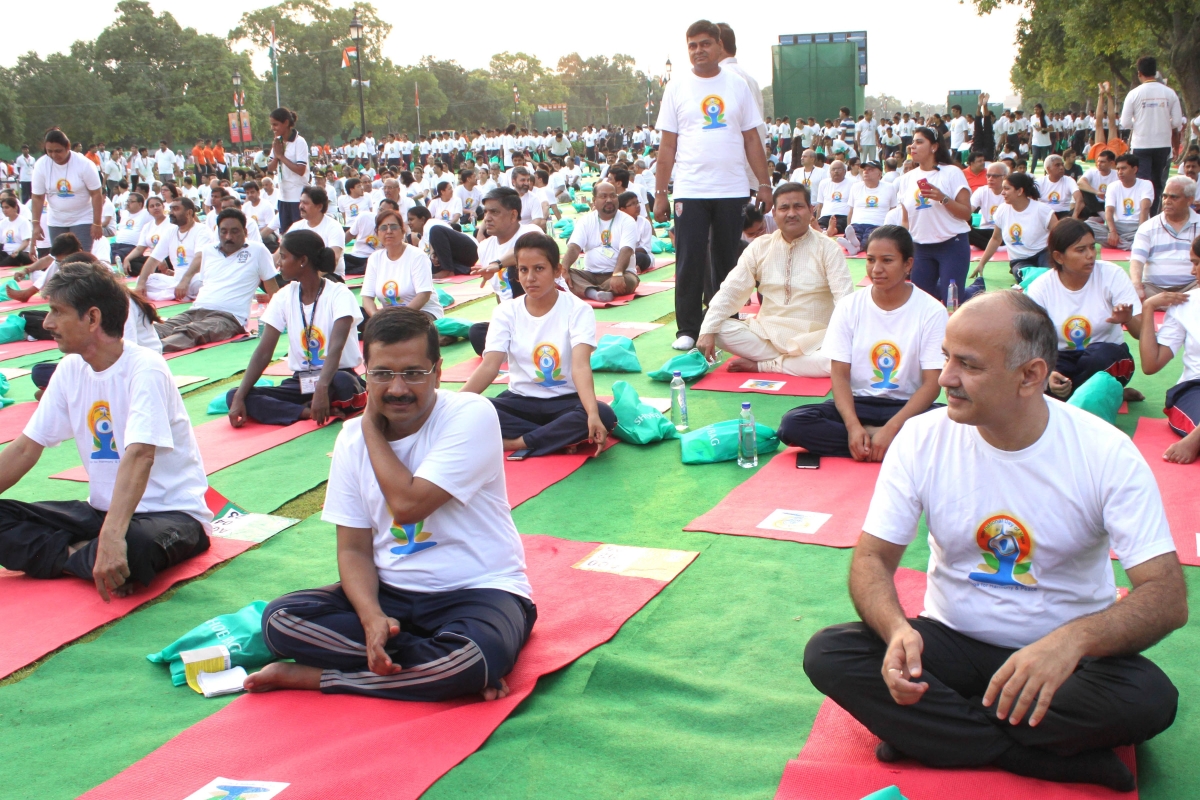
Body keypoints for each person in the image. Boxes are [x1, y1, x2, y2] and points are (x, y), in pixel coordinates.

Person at [804, 289, 1185, 792]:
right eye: (946, 357)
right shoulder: (921, 438)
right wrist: (896, 630)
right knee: (831, 652)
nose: (945, 378)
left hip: (1064, 660)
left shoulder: (1104, 453)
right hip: (951, 643)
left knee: (1149, 697)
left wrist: (1071, 642)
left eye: (968, 365)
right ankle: (1039, 756)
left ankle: (934, 735)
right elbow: (873, 557)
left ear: (1030, 375)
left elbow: (1166, 596)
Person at [243, 307, 535, 701]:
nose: (397, 389)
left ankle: (322, 677)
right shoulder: (350, 439)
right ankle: (439, 666)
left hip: (477, 590)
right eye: (382, 374)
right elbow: (353, 549)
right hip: (390, 594)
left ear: (437, 371)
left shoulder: (470, 414)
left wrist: (368, 427)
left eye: (413, 373)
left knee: (472, 657)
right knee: (280, 620)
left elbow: (409, 505)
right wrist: (371, 617)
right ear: (366, 372)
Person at [0, 262, 213, 600]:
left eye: (57, 311)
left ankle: (90, 552)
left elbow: (140, 455)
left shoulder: (145, 368)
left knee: (135, 547)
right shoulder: (70, 369)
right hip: (100, 513)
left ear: (92, 318)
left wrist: (112, 538)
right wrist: (107, 536)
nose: (48, 323)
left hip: (168, 514)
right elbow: (26, 449)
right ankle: (80, 556)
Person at [654, 19, 773, 351]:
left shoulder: (737, 85)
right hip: (690, 189)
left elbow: (752, 138)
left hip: (731, 188)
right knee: (689, 260)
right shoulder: (676, 87)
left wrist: (764, 183)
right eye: (692, 46)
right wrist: (661, 193)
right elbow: (667, 145)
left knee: (727, 262)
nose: (698, 51)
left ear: (719, 46)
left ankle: (724, 323)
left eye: (705, 43)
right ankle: (688, 329)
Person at [778, 225, 945, 459]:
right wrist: (853, 427)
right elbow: (839, 375)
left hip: (907, 408)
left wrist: (892, 428)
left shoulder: (932, 311)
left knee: (958, 427)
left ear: (908, 264)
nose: (876, 269)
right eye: (870, 260)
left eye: (887, 260)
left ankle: (873, 442)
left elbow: (932, 384)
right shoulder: (849, 306)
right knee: (793, 423)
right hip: (858, 404)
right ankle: (885, 444)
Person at [463, 233, 616, 457]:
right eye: (523, 270)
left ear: (557, 271)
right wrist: (454, 405)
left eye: (539, 269)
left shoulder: (578, 309)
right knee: (472, 411)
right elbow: (489, 366)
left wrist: (592, 413)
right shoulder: (506, 312)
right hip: (520, 402)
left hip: (565, 402)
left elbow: (580, 366)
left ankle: (515, 443)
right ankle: (557, 437)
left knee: (603, 414)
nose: (530, 278)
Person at [696, 183, 852, 376]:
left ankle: (765, 365)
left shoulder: (828, 248)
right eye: (784, 208)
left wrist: (845, 338)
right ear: (774, 213)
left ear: (811, 211)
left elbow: (844, 299)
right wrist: (707, 330)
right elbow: (732, 289)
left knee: (836, 361)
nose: (791, 213)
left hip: (815, 339)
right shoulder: (760, 246)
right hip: (766, 335)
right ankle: (796, 364)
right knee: (717, 326)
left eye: (798, 206)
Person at [227, 230, 365, 427]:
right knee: (234, 395)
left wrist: (322, 388)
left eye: (283, 256)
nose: (278, 263)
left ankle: (314, 403)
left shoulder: (339, 294)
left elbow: (336, 347)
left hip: (334, 377)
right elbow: (264, 351)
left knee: (344, 383)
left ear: (302, 261)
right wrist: (240, 396)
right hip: (302, 381)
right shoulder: (283, 296)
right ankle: (306, 411)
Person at [1026, 219, 1143, 402]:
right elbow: (1031, 341)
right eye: (1081, 250)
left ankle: (1071, 397)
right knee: (1033, 374)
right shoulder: (1040, 288)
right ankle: (1098, 394)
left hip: (1106, 357)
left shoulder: (1112, 274)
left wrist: (1127, 318)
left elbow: (1141, 332)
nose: (1090, 255)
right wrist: (1049, 374)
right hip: (1060, 358)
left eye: (1092, 247)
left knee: (1099, 356)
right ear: (1059, 257)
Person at [145, 209, 278, 352]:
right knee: (159, 328)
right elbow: (206, 283)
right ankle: (136, 346)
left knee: (191, 332)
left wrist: (279, 321)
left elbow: (273, 291)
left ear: (245, 232)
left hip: (229, 318)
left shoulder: (258, 251)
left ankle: (153, 350)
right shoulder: (208, 250)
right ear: (218, 232)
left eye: (234, 231)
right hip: (197, 310)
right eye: (223, 232)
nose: (228, 237)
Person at [1138, 236, 1200, 463]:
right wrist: (1148, 308)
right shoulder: (1186, 304)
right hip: (1195, 388)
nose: (1193, 271)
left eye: (1197, 263)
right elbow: (1151, 364)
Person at [896, 127, 972, 306]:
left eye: (919, 142)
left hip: (952, 245)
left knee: (951, 301)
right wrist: (904, 247)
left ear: (934, 147)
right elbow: (906, 220)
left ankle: (972, 294)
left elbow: (966, 213)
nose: (913, 146)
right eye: (912, 142)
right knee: (921, 302)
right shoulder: (906, 179)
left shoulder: (952, 172)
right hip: (920, 248)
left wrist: (942, 198)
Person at [1121, 56, 1186, 216]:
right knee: (1158, 184)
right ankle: (1154, 216)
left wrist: (1141, 123)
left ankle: (1141, 216)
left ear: (1139, 73)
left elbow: (1125, 123)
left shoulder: (1134, 94)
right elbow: (1177, 122)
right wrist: (1163, 123)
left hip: (1141, 144)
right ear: (1156, 72)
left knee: (1142, 183)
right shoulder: (1169, 93)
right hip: (1162, 145)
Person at [973, 172, 1059, 282]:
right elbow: (996, 239)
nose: (1002, 193)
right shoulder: (1002, 210)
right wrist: (982, 264)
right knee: (1028, 278)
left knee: (1051, 276)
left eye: (1007, 189)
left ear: (1020, 191)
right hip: (1019, 260)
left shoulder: (1042, 209)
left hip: (1043, 254)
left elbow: (1059, 235)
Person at [361, 207, 442, 321]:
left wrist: (399, 318)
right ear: (377, 233)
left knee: (402, 328)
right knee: (356, 316)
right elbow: (367, 297)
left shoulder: (417, 256)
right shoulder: (375, 258)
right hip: (389, 317)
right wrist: (376, 318)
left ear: (403, 231)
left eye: (393, 227)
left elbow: (424, 295)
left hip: (420, 313)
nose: (389, 231)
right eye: (383, 228)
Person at [30, 129, 104, 253]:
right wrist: (36, 224)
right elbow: (37, 197)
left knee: (80, 257)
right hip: (56, 220)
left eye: (58, 151)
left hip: (82, 218)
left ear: (68, 147)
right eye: (49, 151)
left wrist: (97, 223)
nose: (54, 155)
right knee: (60, 257)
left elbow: (96, 194)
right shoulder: (41, 165)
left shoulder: (84, 164)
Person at [564, 181, 638, 303]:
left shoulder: (627, 221)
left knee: (629, 281)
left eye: (613, 196)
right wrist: (564, 269)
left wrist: (617, 273)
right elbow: (574, 247)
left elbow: (627, 250)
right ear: (594, 201)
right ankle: (596, 293)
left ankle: (589, 291)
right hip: (590, 275)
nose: (609, 200)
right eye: (603, 196)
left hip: (621, 274)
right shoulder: (585, 221)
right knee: (561, 276)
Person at [1130, 176, 1199, 300]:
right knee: (1131, 292)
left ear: (1190, 200)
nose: (1167, 201)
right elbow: (1137, 260)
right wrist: (1136, 285)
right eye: (1165, 196)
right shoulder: (1147, 227)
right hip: (1154, 289)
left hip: (1192, 287)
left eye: (1174, 197)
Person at [132, 198, 210, 302]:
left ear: (189, 213)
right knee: (143, 279)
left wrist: (185, 281)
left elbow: (199, 258)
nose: (171, 213)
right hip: (176, 280)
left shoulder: (202, 230)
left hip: (196, 277)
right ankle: (178, 293)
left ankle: (174, 293)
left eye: (176, 209)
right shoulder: (170, 231)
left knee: (201, 284)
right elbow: (153, 259)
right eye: (171, 209)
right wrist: (141, 284)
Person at [1086, 153, 1154, 251]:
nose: (1120, 172)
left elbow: (1145, 209)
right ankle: (1132, 245)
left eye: (1123, 168)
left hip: (1137, 227)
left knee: (1155, 231)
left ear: (1135, 169)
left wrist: (1140, 234)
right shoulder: (1113, 186)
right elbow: (1109, 211)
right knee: (1086, 226)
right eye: (1118, 169)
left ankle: (1122, 243)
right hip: (1117, 227)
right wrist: (1113, 232)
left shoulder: (1146, 184)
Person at [406, 205, 478, 279]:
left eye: (411, 219)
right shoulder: (421, 242)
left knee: (435, 231)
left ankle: (447, 271)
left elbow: (434, 239)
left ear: (422, 219)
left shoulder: (431, 223)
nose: (409, 223)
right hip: (460, 261)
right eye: (408, 220)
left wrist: (432, 253)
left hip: (469, 249)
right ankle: (463, 270)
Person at [268, 108, 310, 234]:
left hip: (297, 197)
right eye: (272, 125)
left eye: (275, 124)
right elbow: (270, 168)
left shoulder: (299, 141)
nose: (273, 128)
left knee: (299, 234)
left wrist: (281, 156)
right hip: (283, 196)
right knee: (285, 234)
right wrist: (277, 155)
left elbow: (300, 170)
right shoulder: (277, 142)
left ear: (286, 123)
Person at [287, 186, 345, 276]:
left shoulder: (334, 227)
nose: (301, 206)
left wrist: (310, 279)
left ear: (319, 207)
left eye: (305, 203)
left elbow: (334, 259)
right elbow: (280, 253)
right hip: (302, 277)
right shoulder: (296, 226)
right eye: (300, 202)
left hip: (329, 276)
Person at [843, 161, 895, 256]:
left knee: (870, 238)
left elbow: (893, 210)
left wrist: (890, 230)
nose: (866, 172)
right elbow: (851, 211)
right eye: (865, 169)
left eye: (870, 170)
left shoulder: (889, 187)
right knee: (854, 233)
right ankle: (854, 242)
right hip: (857, 223)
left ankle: (856, 247)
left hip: (877, 224)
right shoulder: (855, 187)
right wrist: (848, 225)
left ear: (879, 174)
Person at [968, 162, 1008, 250]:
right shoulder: (981, 191)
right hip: (985, 229)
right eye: (988, 175)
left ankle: (985, 246)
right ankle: (994, 247)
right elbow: (969, 209)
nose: (990, 179)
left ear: (1004, 177)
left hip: (1004, 231)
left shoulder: (1010, 192)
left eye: (995, 176)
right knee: (964, 231)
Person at [813, 160, 855, 237]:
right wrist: (817, 219)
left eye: (839, 169)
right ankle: (824, 230)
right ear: (829, 172)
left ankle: (831, 231)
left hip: (843, 215)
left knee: (841, 224)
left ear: (845, 171)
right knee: (821, 223)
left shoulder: (853, 183)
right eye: (833, 169)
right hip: (826, 215)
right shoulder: (823, 183)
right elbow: (820, 205)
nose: (836, 171)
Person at [619, 191, 656, 272]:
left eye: (637, 202)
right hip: (619, 254)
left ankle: (636, 267)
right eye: (632, 204)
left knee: (642, 258)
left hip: (636, 254)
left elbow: (645, 248)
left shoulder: (644, 222)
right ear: (622, 209)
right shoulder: (617, 223)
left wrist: (628, 251)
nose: (637, 206)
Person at [109, 192, 148, 268]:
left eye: (131, 201)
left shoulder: (146, 213)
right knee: (104, 250)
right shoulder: (124, 213)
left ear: (140, 204)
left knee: (117, 254)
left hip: (133, 246)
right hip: (117, 243)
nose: (128, 203)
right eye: (127, 201)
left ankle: (118, 262)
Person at [1036, 155, 1081, 220]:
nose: (1061, 167)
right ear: (1048, 169)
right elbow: (1030, 200)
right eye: (1057, 165)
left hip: (1064, 214)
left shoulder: (1069, 180)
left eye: (1062, 165)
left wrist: (1075, 216)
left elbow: (1079, 198)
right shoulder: (1039, 182)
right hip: (1044, 214)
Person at [1078, 149, 1116, 221]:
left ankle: (1101, 217)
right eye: (1098, 161)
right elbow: (1080, 183)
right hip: (1093, 204)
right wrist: (1096, 192)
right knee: (1084, 189)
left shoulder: (1117, 174)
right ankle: (1102, 215)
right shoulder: (1092, 172)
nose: (1099, 164)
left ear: (1111, 163)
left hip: (1109, 204)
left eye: (1102, 162)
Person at [0, 196, 34, 267]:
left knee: (15, 257)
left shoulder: (23, 221)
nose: (4, 210)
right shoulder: (2, 223)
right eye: (3, 208)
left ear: (15, 208)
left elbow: (26, 242)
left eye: (7, 207)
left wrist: (17, 250)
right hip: (7, 252)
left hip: (21, 253)